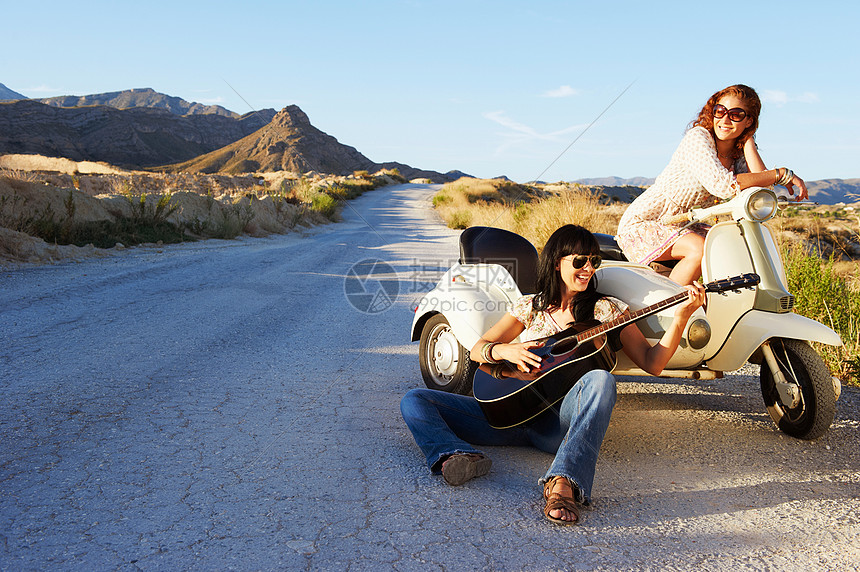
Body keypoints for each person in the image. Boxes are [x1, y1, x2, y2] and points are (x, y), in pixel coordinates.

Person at [400, 224, 706, 525]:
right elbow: (479, 349)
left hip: (556, 426)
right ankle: (457, 454)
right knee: (415, 400)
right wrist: (506, 351)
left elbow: (652, 363)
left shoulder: (607, 311)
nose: (588, 268)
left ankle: (563, 482)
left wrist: (681, 317)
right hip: (508, 414)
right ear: (557, 262)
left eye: (593, 261)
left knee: (601, 380)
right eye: (579, 261)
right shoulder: (530, 307)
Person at [615, 84, 808, 286]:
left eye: (736, 115)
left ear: (749, 120)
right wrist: (780, 174)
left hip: (682, 224)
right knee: (699, 248)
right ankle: (667, 313)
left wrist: (749, 141)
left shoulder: (737, 153)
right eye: (720, 111)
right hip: (646, 222)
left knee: (731, 245)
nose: (725, 120)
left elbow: (761, 193)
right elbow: (723, 185)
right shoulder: (698, 138)